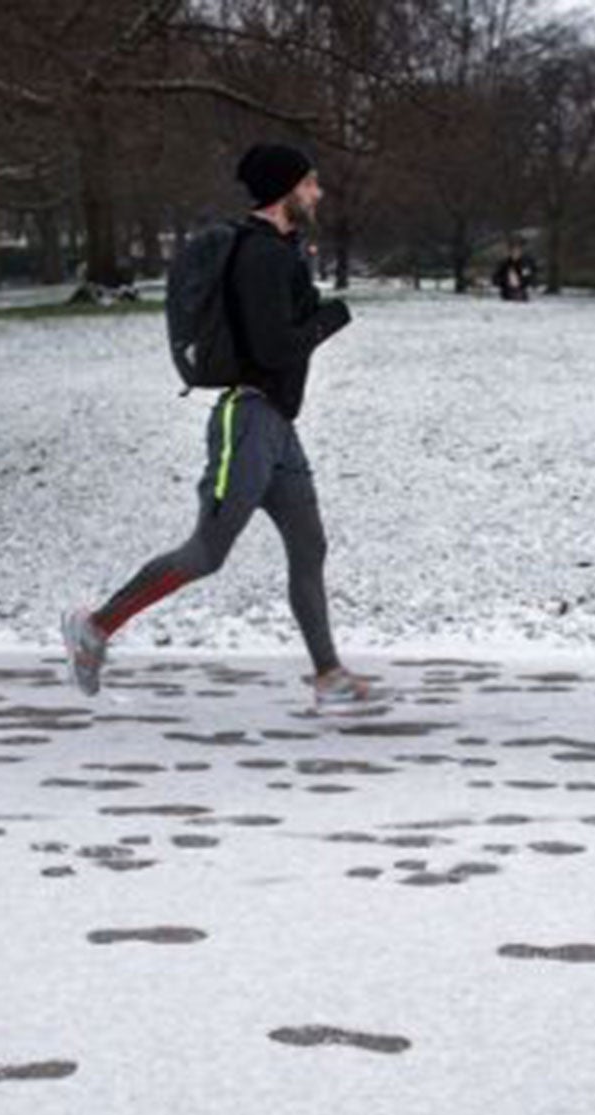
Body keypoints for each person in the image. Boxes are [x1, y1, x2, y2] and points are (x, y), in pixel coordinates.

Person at [62, 143, 371, 707]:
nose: (318, 193)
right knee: (207, 552)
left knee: (309, 545)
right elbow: (274, 346)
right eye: (310, 183)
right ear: (285, 190)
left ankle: (328, 674)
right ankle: (96, 627)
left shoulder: (280, 250)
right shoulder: (261, 256)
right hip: (247, 421)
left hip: (278, 425)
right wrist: (332, 316)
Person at [493, 238, 537, 302]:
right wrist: (506, 281)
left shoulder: (525, 264)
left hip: (521, 290)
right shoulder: (504, 264)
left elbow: (530, 276)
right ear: (510, 253)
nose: (515, 253)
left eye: (517, 251)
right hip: (507, 291)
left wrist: (520, 280)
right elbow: (496, 278)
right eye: (513, 252)